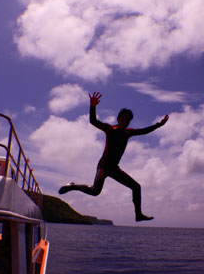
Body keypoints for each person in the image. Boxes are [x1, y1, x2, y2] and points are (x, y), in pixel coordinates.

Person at [59, 92, 169, 222]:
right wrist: (92, 106)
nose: (126, 122)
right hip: (103, 166)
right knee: (95, 191)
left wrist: (160, 124)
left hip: (114, 169)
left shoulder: (129, 132)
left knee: (136, 187)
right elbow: (93, 121)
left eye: (128, 120)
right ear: (118, 119)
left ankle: (138, 215)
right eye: (123, 119)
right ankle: (73, 186)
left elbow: (144, 131)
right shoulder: (110, 129)